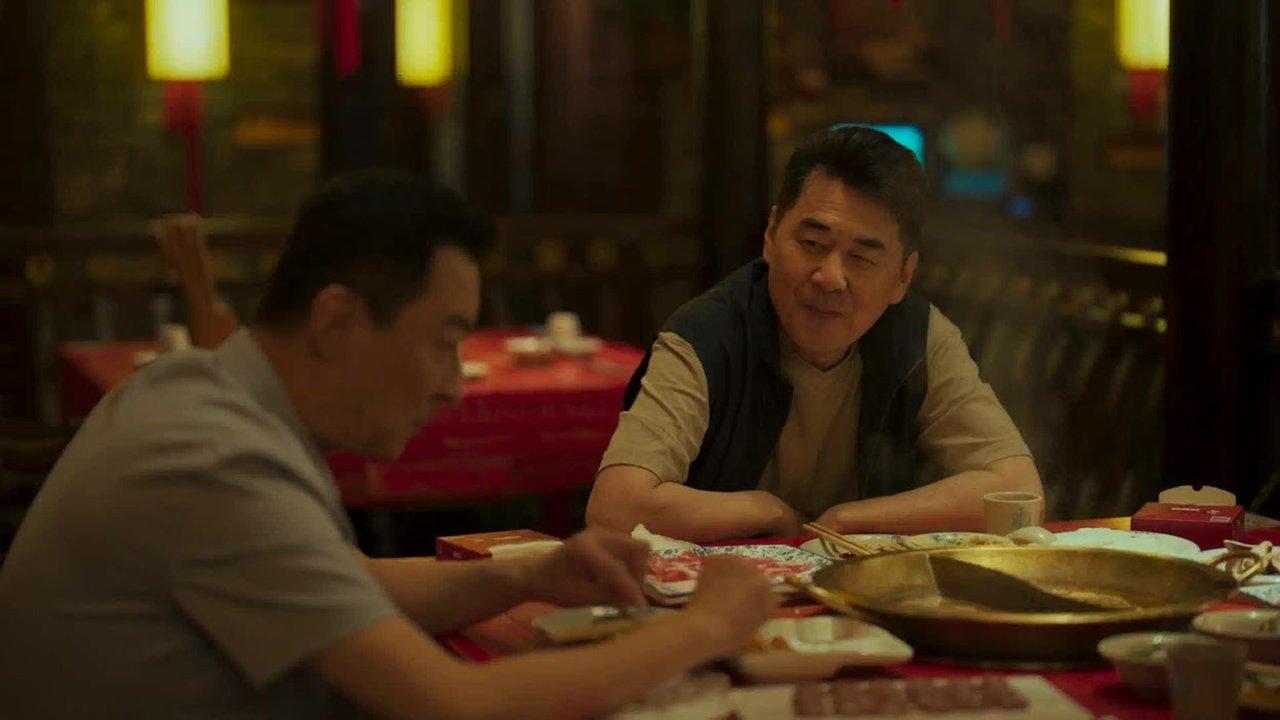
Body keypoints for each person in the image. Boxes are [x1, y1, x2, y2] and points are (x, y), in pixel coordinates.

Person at [0, 171, 775, 719]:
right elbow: (455, 706)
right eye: (444, 342)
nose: (454, 385)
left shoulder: (202, 392)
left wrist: (528, 574)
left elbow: (345, 584)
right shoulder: (213, 458)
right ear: (337, 321)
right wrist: (704, 629)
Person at [586, 125, 1042, 542]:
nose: (830, 277)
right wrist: (766, 511)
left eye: (862, 258)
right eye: (812, 244)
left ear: (903, 276)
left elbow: (1020, 494)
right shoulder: (706, 337)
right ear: (771, 235)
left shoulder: (920, 338)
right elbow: (614, 508)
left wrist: (847, 520)